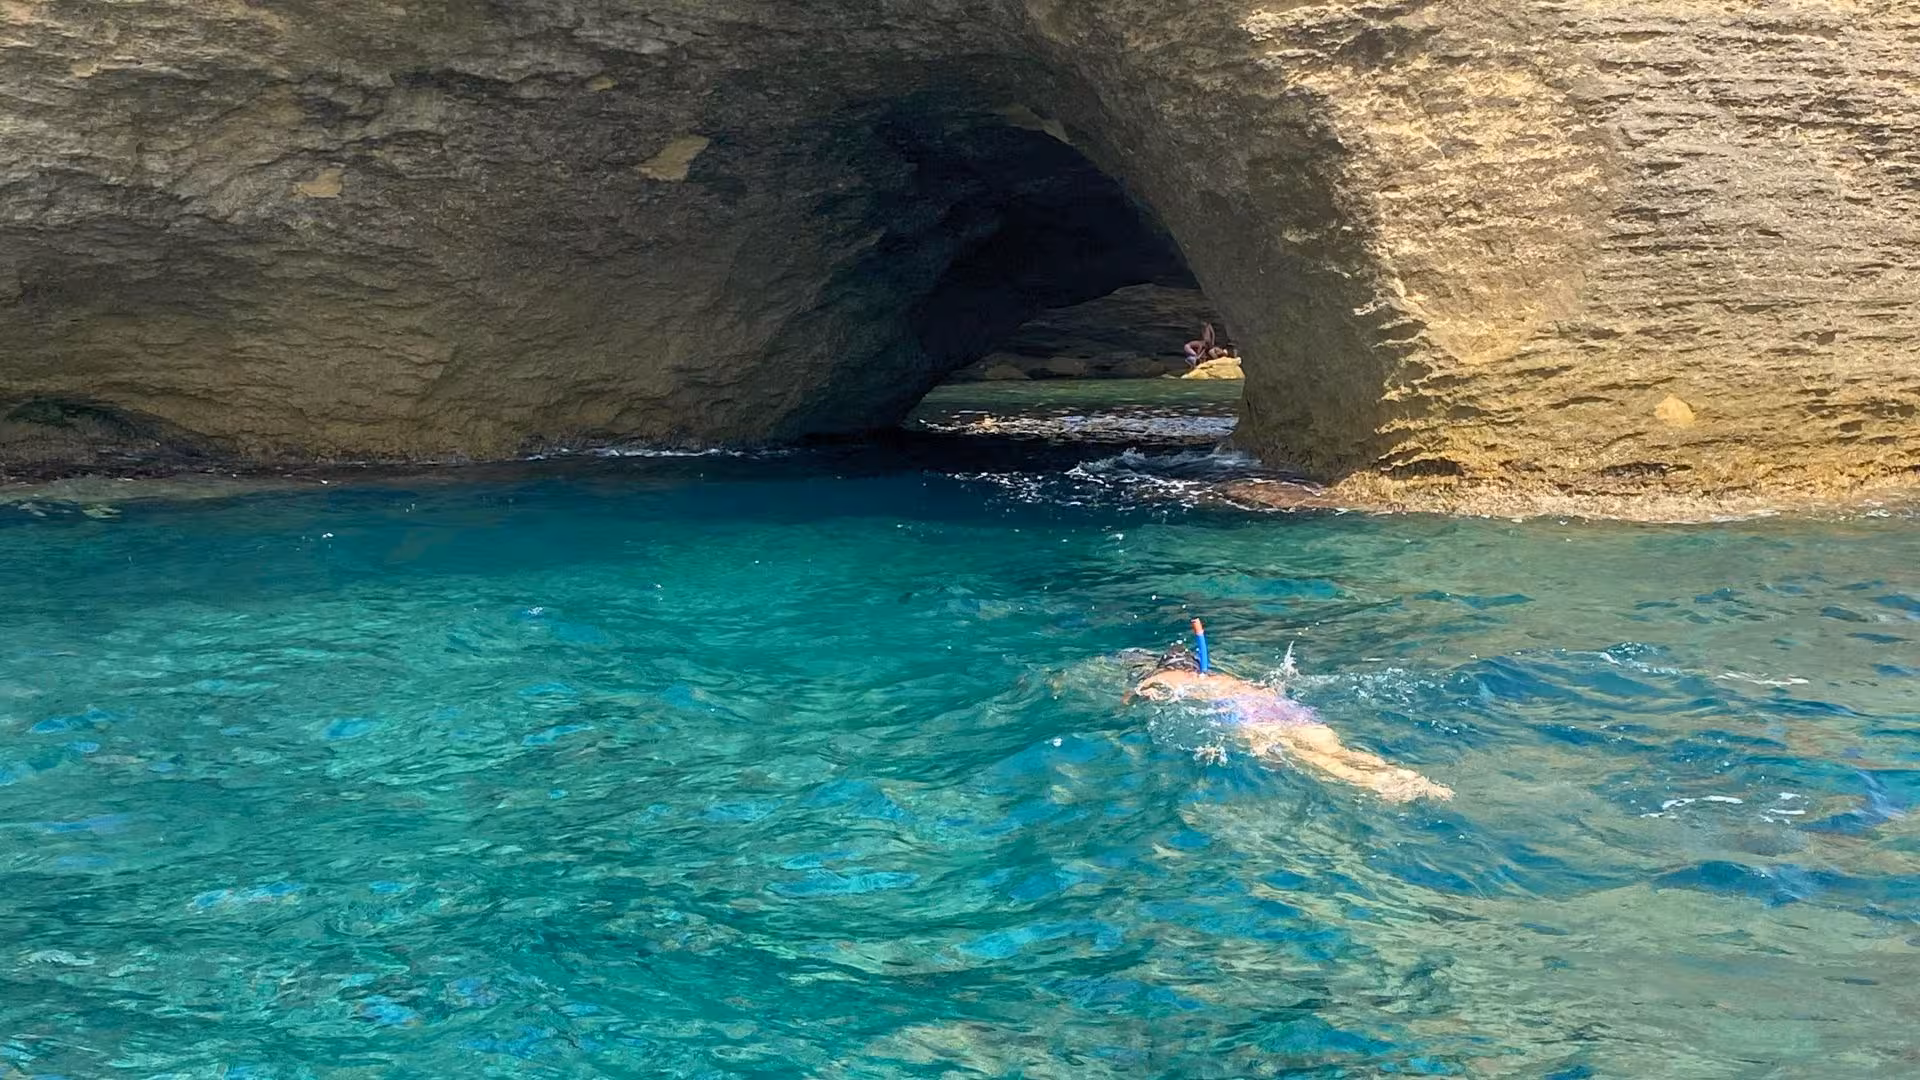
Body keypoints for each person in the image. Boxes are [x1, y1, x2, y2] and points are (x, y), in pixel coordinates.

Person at [1126, 640, 1453, 803]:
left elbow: (1140, 694)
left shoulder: (1165, 676)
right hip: (1281, 706)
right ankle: (1405, 775)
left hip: (1248, 714)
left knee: (1308, 759)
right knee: (1338, 749)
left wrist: (1135, 697)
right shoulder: (1215, 675)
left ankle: (1376, 785)